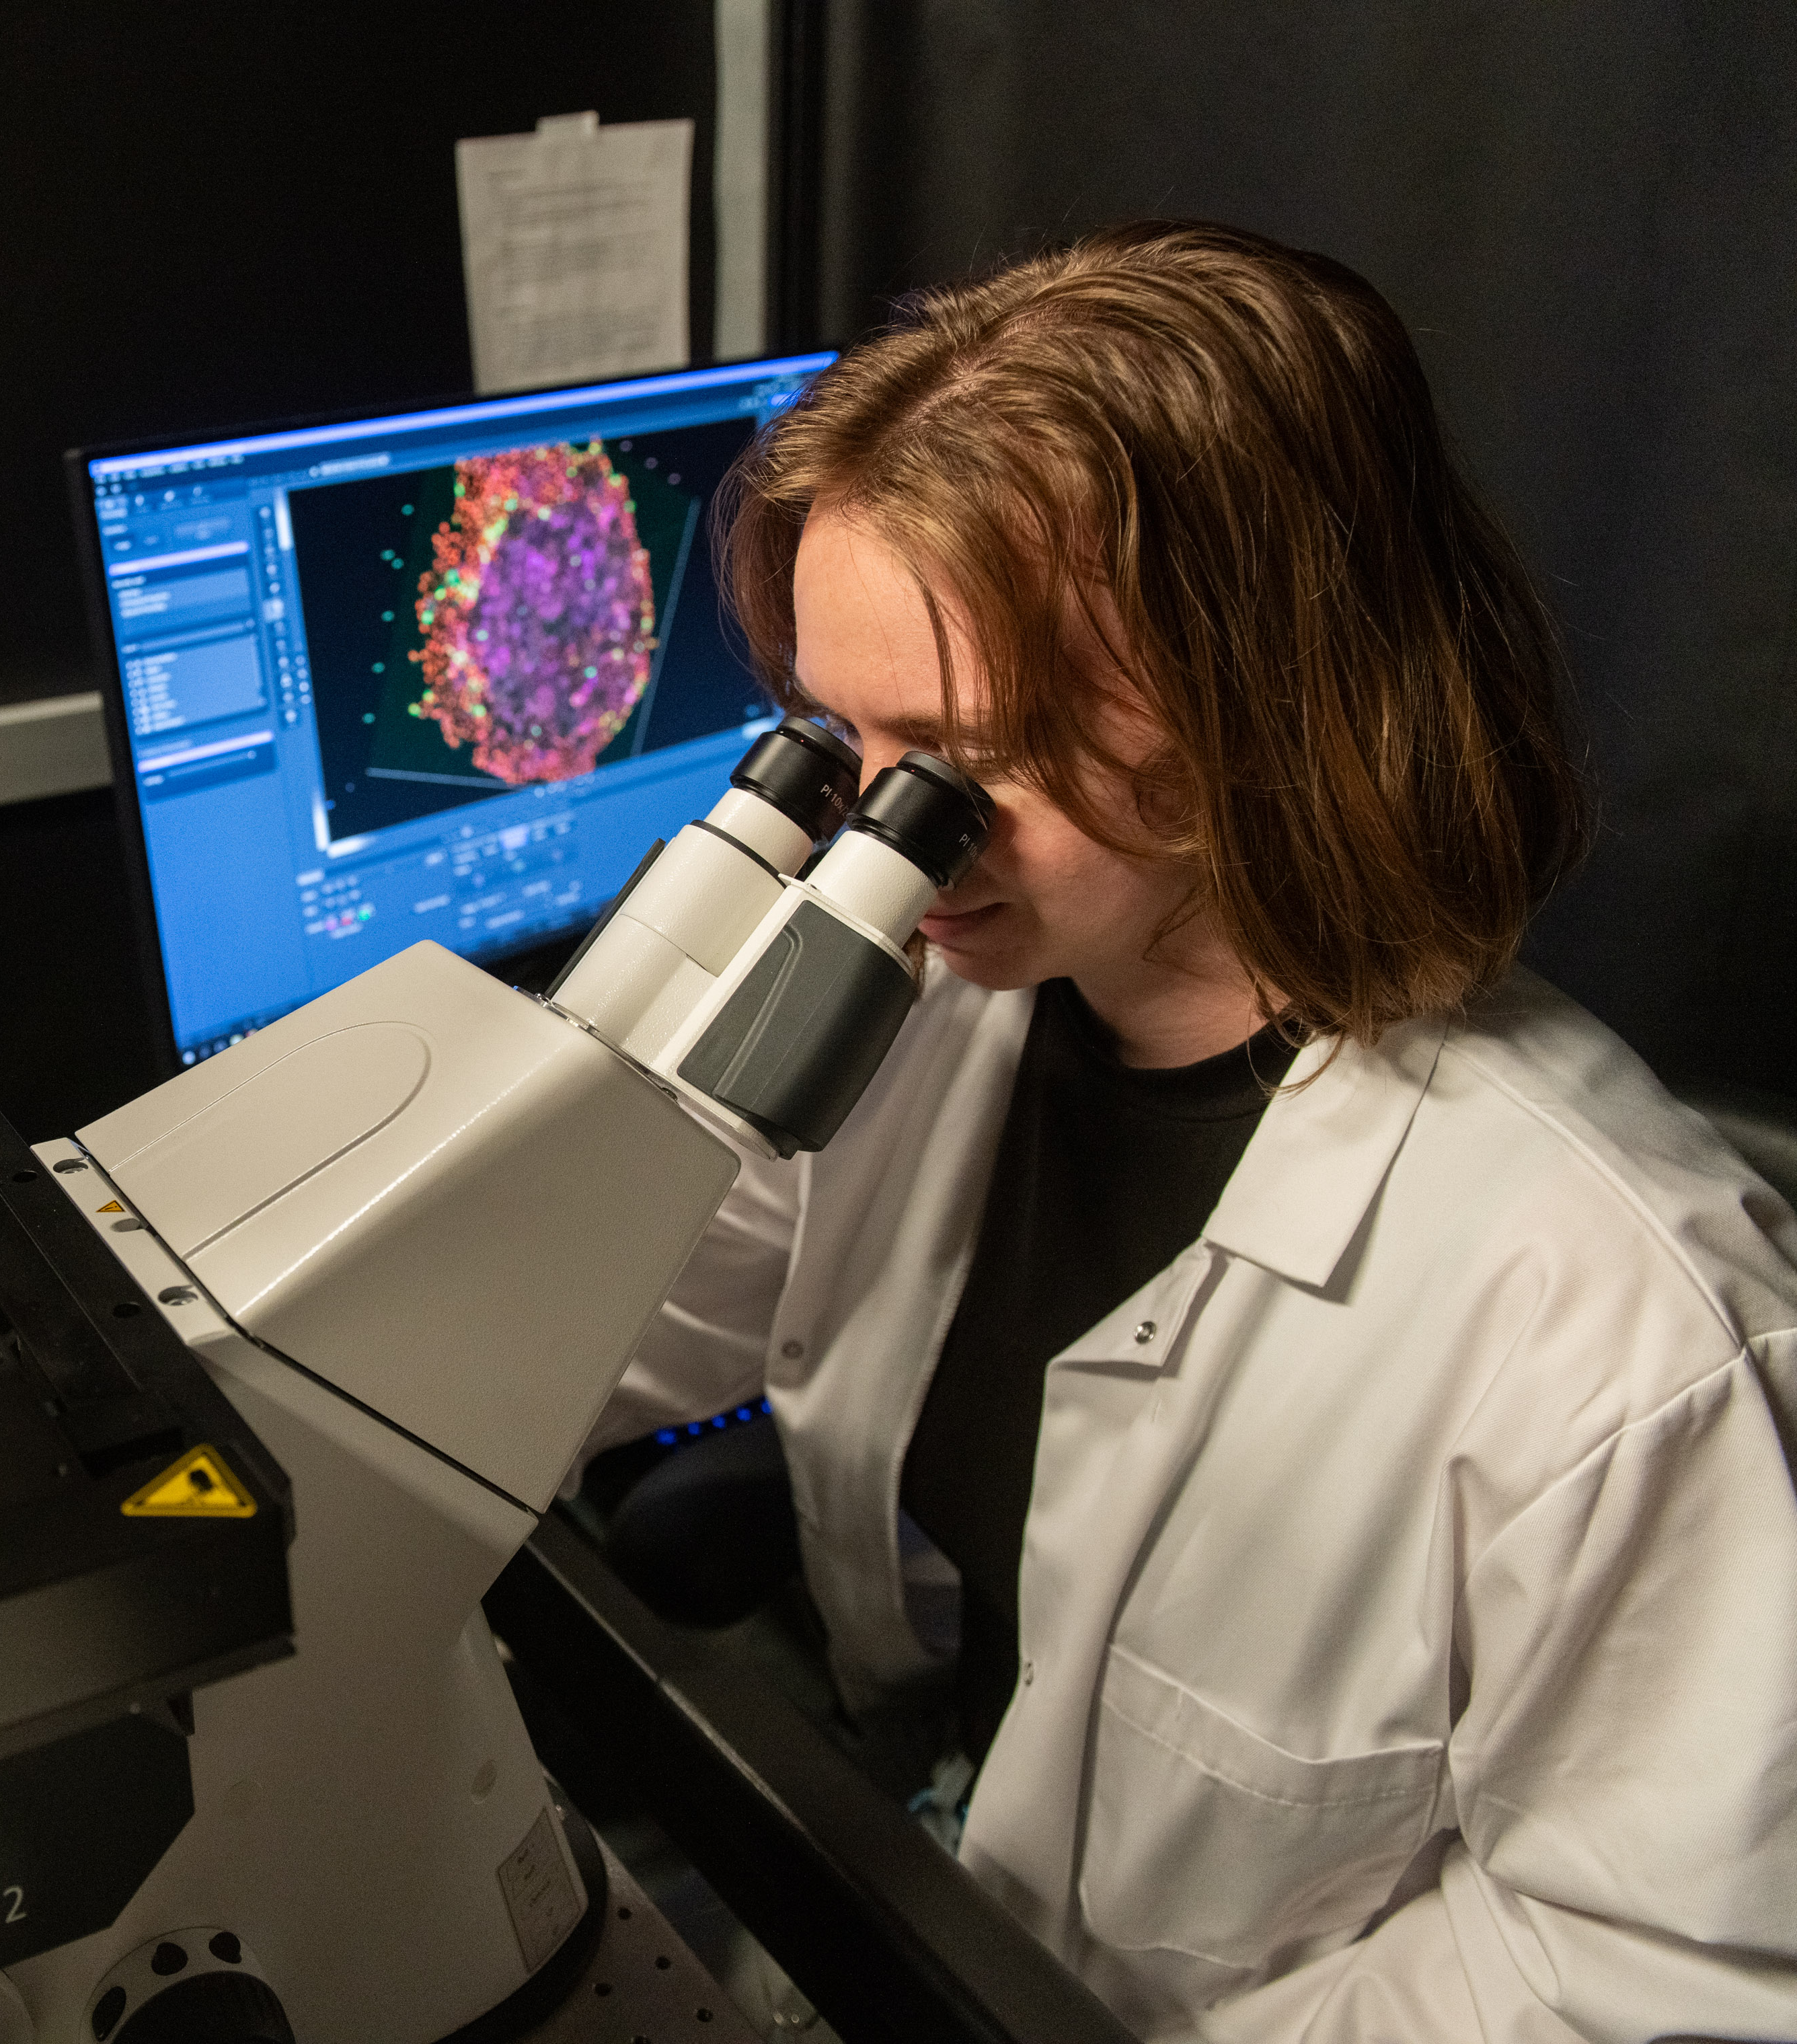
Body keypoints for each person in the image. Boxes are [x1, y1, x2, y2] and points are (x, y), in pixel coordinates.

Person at [586, 221, 1797, 2038]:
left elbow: (1660, 1971)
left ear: (1263, 710)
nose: (879, 846)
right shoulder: (933, 1018)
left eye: (957, 759)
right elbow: (598, 1296)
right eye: (839, 739)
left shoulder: (1625, 1327)